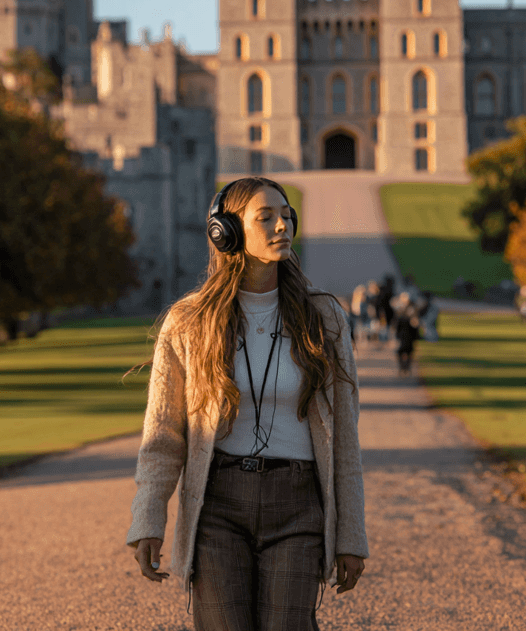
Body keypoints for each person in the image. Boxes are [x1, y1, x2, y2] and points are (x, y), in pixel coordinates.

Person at [127, 177, 368, 631]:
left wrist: (351, 535)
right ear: (227, 232)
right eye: (266, 217)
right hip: (218, 504)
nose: (282, 226)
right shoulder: (188, 322)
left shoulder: (325, 317)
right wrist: (148, 518)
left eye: (286, 215)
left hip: (299, 505)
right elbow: (162, 435)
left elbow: (346, 442)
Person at [393, 306, 420, 376]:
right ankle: (405, 368)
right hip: (406, 340)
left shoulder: (403, 318)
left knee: (403, 353)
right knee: (407, 353)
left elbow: (397, 330)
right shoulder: (407, 319)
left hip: (406, 340)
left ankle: (404, 368)